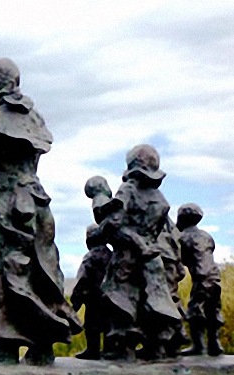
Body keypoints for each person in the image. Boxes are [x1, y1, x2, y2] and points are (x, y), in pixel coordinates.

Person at [0, 57, 81, 365]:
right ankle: (42, 347)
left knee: (0, 273)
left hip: (9, 207)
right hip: (37, 205)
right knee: (41, 274)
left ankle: (7, 346)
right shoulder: (33, 117)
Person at [99, 144, 182, 361]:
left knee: (120, 296)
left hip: (128, 255)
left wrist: (105, 226)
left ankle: (124, 349)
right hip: (152, 256)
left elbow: (115, 223)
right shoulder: (161, 198)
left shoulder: (128, 190)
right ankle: (158, 347)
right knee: (155, 297)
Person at [177, 203, 224, 356]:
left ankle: (199, 346)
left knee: (196, 310)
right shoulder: (206, 236)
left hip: (201, 277)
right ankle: (214, 344)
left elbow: (182, 259)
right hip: (215, 277)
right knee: (213, 309)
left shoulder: (183, 237)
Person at [70, 225, 112, 360]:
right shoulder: (111, 255)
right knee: (107, 325)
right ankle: (108, 349)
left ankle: (93, 350)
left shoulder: (90, 257)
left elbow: (83, 279)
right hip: (109, 298)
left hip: (93, 298)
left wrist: (76, 299)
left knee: (91, 325)